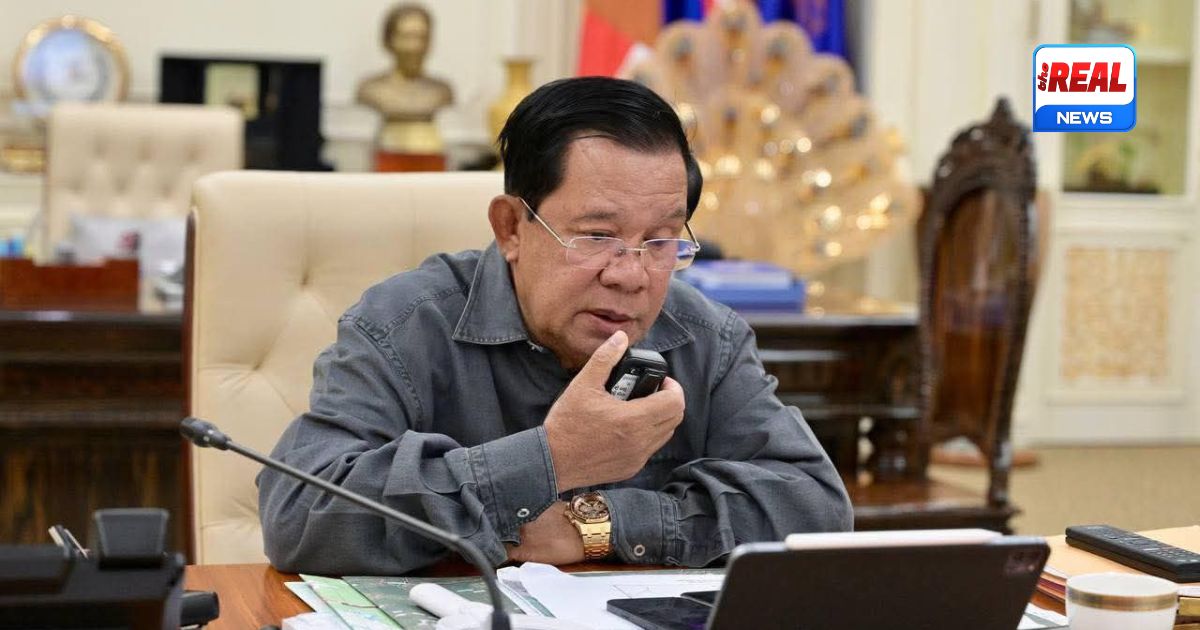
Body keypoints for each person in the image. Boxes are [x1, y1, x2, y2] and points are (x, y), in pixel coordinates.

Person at [259, 77, 852, 575]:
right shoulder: (404, 323)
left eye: (660, 241)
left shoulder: (705, 336)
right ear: (511, 228)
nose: (631, 275)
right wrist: (552, 457)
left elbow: (817, 509)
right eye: (597, 236)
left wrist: (599, 525)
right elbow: (299, 514)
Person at [356, 3, 454, 155]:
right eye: (406, 37)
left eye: (421, 37)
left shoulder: (442, 91)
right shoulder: (370, 89)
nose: (415, 46)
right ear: (388, 41)